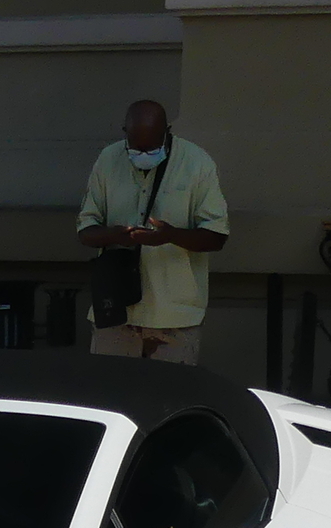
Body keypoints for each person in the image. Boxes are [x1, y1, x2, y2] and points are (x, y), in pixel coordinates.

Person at [77, 100, 230, 364]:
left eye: (152, 147)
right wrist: (116, 235)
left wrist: (170, 236)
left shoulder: (196, 163)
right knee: (111, 399)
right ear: (125, 132)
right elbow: (84, 231)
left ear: (167, 131)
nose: (144, 154)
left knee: (169, 400)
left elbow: (217, 236)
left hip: (175, 318)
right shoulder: (108, 159)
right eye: (136, 147)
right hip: (116, 312)